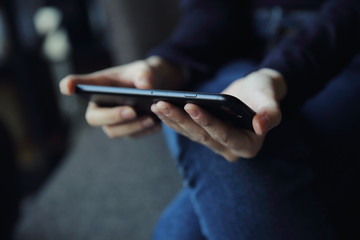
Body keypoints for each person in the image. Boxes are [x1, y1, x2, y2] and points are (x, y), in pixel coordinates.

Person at [60, 0, 360, 239]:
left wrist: (280, 73)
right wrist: (167, 64)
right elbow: (213, 8)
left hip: (345, 55)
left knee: (178, 232)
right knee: (213, 121)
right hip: (244, 51)